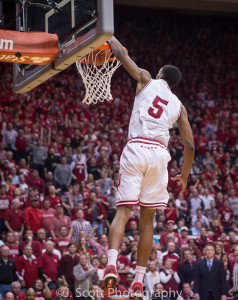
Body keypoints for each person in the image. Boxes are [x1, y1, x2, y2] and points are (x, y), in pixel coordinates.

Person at [102, 36, 195, 299]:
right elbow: (190, 146)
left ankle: (111, 265)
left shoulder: (146, 79)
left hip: (137, 147)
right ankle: (139, 282)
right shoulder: (179, 107)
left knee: (122, 213)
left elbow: (119, 53)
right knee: (148, 222)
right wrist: (184, 176)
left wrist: (104, 31)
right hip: (159, 156)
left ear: (160, 74)